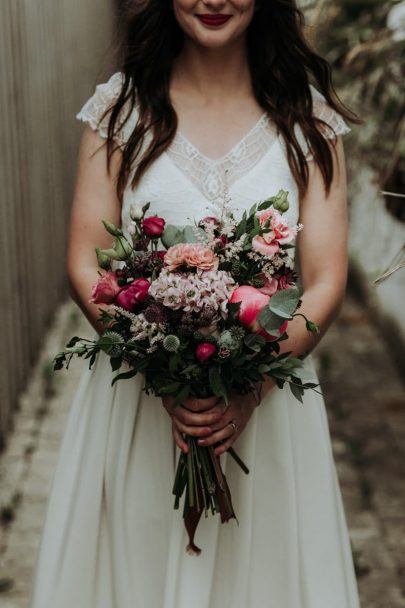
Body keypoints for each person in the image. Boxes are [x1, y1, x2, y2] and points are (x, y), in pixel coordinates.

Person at [28, 1, 361, 606]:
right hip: (140, 407)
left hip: (268, 413)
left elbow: (325, 283)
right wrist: (165, 376)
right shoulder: (121, 111)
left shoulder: (308, 122)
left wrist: (246, 393)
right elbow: (86, 262)